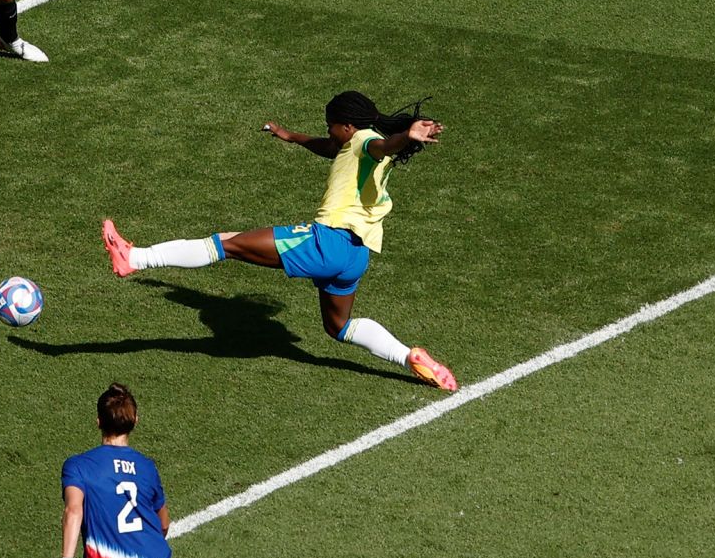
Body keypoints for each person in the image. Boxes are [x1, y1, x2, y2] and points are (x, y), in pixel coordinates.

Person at [102, 91, 458, 392]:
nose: (328, 131)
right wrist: (291, 136)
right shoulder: (353, 145)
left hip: (326, 243)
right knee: (340, 328)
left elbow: (381, 145)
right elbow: (332, 148)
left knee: (227, 243)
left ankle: (135, 259)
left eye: (330, 125)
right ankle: (408, 356)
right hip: (355, 255)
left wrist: (406, 136)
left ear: (347, 126)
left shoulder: (367, 142)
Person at [48, 383, 203, 558]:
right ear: (135, 421)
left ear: (98, 421)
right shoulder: (147, 467)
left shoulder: (78, 466)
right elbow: (163, 524)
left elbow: (73, 510)